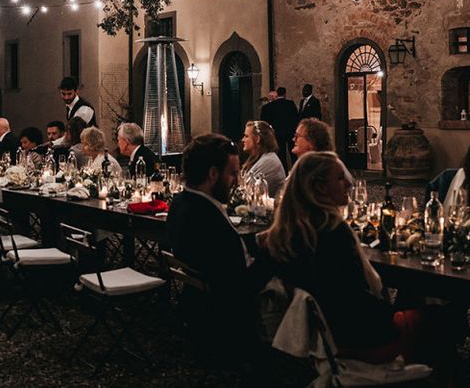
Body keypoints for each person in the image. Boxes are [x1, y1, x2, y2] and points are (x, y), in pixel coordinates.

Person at [259, 151, 421, 363]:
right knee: (439, 321)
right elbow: (352, 298)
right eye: (340, 178)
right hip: (350, 336)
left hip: (318, 336)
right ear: (320, 187)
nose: (348, 184)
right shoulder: (333, 233)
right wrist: (392, 313)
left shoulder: (281, 236)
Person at [167, 133, 270, 364]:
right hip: (225, 318)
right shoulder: (208, 221)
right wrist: (274, 254)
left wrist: (259, 241)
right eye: (233, 173)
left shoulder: (181, 203)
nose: (237, 180)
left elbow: (220, 256)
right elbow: (243, 285)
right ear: (213, 174)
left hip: (197, 303)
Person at [241, 120, 285, 197]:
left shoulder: (269, 161)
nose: (243, 140)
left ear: (257, 139)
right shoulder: (260, 159)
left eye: (246, 136)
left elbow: (245, 194)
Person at [259, 86, 298, 170]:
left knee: (281, 155)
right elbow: (296, 118)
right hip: (290, 132)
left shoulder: (270, 106)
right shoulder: (290, 104)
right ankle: (295, 171)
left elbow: (265, 122)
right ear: (285, 94)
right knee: (293, 154)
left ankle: (284, 172)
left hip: (278, 133)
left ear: (277, 94)